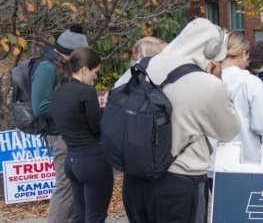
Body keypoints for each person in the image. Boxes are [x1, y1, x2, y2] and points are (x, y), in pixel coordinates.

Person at [115, 18, 241, 222]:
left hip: (134, 179)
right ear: (212, 50)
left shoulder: (140, 67)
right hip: (179, 183)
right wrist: (218, 81)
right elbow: (228, 131)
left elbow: (115, 104)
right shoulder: (208, 84)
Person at [207, 31, 263, 208]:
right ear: (243, 53)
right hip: (246, 160)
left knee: (221, 212)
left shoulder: (206, 80)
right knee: (247, 212)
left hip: (213, 161)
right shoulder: (252, 83)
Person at [32, 24, 90, 223]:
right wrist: (73, 109)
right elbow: (40, 107)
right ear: (69, 53)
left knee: (75, 187)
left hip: (70, 134)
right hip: (59, 135)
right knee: (65, 187)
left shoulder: (61, 65)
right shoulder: (47, 67)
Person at [51, 48, 111, 223]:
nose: (95, 76)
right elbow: (96, 127)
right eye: (95, 71)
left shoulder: (58, 89)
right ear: (85, 69)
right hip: (92, 160)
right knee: (95, 216)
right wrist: (106, 108)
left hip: (71, 160)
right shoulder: (86, 91)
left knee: (79, 214)